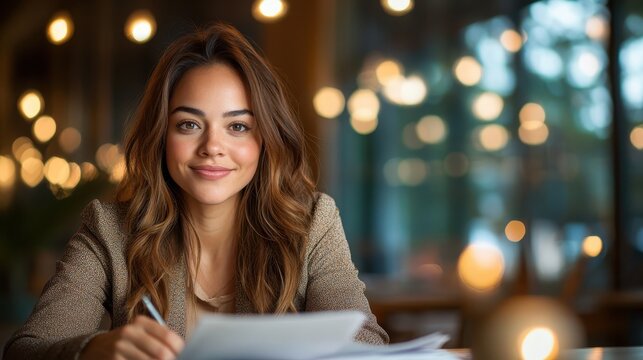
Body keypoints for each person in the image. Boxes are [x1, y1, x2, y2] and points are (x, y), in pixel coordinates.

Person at [3, 23, 389, 360]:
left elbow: (366, 345)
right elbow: (25, 350)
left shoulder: (312, 223)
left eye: (238, 127)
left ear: (265, 140)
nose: (212, 147)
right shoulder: (109, 230)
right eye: (189, 125)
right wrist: (91, 351)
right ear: (161, 137)